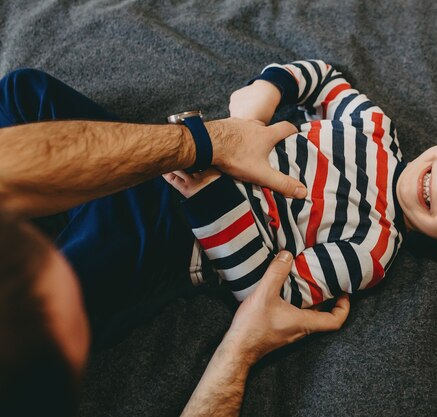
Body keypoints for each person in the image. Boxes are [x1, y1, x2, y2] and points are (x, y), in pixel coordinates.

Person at [0, 68, 350, 416]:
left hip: (167, 181)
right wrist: (239, 350)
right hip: (177, 231)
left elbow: (320, 76)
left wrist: (209, 138)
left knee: (21, 90)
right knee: (97, 262)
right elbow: (270, 293)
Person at [163, 59, 437, 308]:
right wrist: (268, 91)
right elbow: (323, 79)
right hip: (179, 148)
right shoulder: (372, 128)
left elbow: (269, 296)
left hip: (182, 236)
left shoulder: (370, 252)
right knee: (99, 135)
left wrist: (211, 199)